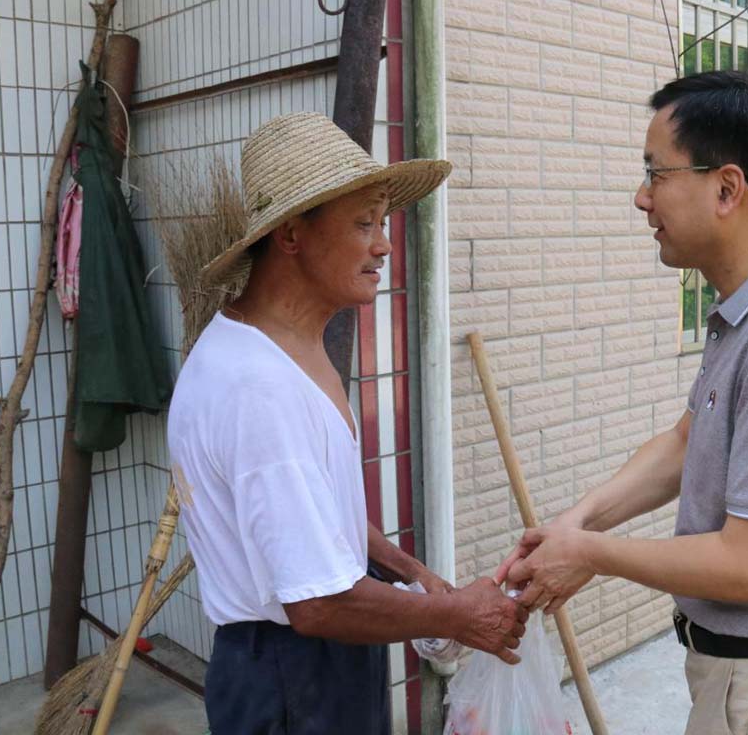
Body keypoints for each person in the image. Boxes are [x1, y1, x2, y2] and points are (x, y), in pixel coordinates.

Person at [497, 71, 748, 734]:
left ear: (727, 189)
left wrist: (590, 555)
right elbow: (687, 442)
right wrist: (579, 524)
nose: (641, 198)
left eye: (656, 174)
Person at [169, 112, 527, 735]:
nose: (384, 245)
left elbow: (319, 512)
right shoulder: (259, 388)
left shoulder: (288, 346)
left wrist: (410, 572)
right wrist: (460, 615)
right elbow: (318, 603)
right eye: (364, 223)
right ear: (290, 234)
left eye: (382, 223)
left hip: (320, 662)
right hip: (290, 674)